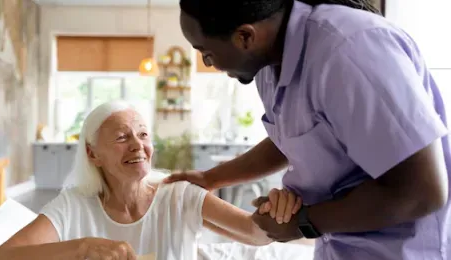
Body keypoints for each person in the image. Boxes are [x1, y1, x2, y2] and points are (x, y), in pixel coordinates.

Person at [166, 0, 451, 259]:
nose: (209, 64)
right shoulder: (267, 65)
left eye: (207, 53)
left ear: (245, 37)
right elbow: (292, 137)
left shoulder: (350, 50)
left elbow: (421, 191)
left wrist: (304, 222)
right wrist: (211, 178)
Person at [0, 101, 301, 260]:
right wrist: (83, 248)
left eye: (142, 134)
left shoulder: (178, 194)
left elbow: (253, 233)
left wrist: (275, 214)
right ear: (92, 154)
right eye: (122, 137)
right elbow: (2, 257)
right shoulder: (74, 204)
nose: (138, 145)